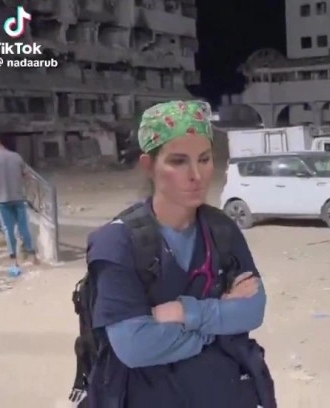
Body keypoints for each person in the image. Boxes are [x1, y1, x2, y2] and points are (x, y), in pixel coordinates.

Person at [84, 100, 275, 408]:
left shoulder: (222, 230)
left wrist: (186, 313)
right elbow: (135, 346)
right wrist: (218, 325)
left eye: (204, 159)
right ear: (149, 166)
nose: (196, 175)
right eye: (178, 161)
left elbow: (253, 310)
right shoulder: (116, 243)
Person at [0, 133, 37, 265]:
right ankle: (32, 256)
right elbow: (27, 175)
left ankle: (14, 260)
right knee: (24, 227)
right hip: (18, 197)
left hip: (1, 199)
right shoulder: (16, 156)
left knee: (8, 229)